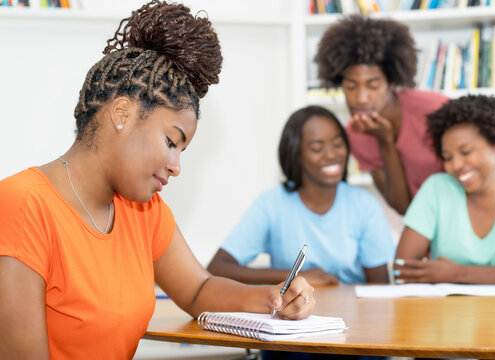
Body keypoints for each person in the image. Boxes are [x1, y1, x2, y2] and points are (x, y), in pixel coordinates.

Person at [0, 2, 314, 359]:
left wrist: (274, 298)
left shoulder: (145, 210)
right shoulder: (22, 205)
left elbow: (198, 290)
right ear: (122, 114)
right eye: (171, 142)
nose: (176, 166)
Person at [207, 105, 395, 287]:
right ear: (295, 154)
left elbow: (380, 286)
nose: (331, 155)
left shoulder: (364, 205)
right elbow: (217, 268)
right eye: (317, 148)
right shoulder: (271, 204)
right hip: (292, 315)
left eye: (338, 144)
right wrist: (295, 277)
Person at [394, 95, 495, 284]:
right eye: (448, 157)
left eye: (466, 152)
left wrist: (455, 274)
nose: (456, 165)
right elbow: (402, 270)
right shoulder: (437, 189)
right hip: (447, 312)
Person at [315, 15, 449, 215]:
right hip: (423, 223)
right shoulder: (355, 134)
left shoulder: (435, 108)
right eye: (351, 86)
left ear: (392, 82)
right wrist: (385, 140)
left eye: (373, 86)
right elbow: (401, 205)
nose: (361, 98)